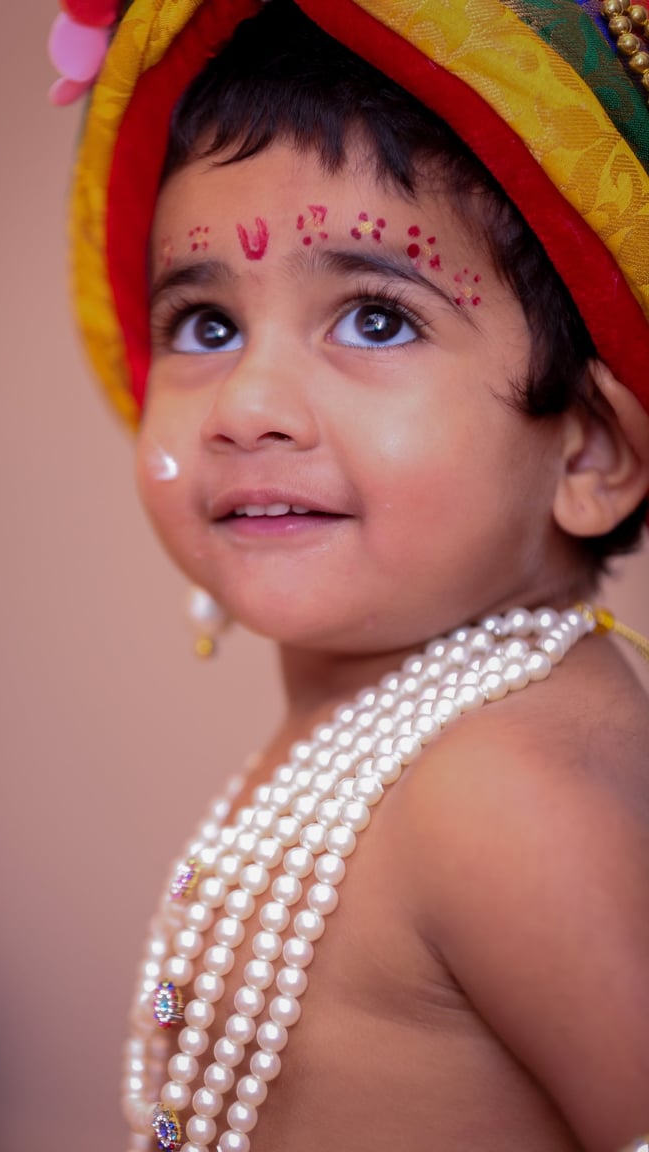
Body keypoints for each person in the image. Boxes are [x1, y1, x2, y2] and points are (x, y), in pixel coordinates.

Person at [49, 1, 649, 1149]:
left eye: (375, 319)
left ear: (586, 449)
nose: (249, 407)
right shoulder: (400, 744)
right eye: (206, 325)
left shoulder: (506, 796)